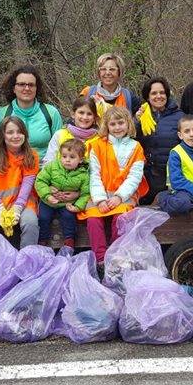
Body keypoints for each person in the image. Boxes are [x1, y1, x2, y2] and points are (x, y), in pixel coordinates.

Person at [78, 106, 148, 266]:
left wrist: (119, 197)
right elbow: (94, 175)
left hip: (124, 196)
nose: (117, 127)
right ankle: (101, 260)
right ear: (106, 126)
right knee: (93, 220)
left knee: (120, 219)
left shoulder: (136, 147)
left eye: (121, 123)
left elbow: (134, 177)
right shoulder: (96, 145)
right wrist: (100, 199)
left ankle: (116, 258)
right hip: (99, 195)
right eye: (113, 124)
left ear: (128, 124)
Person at [0, 116, 40, 248]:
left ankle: (27, 260)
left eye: (19, 132)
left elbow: (27, 183)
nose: (15, 136)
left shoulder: (31, 155)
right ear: (3, 135)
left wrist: (18, 207)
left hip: (23, 202)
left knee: (30, 222)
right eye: (10, 132)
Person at [134, 77, 183, 205]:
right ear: (148, 96)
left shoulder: (179, 116)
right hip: (148, 177)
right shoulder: (141, 116)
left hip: (173, 175)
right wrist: (136, 122)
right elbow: (132, 140)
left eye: (162, 92)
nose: (158, 96)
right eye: (154, 93)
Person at [0, 66, 63, 159]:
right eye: (21, 84)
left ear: (36, 89)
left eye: (31, 85)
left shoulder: (51, 113)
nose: (27, 88)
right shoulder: (1, 114)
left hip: (45, 169)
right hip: (12, 170)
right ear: (14, 88)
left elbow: (61, 146)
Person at [156, 115, 193, 215]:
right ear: (180, 135)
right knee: (181, 204)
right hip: (184, 194)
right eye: (187, 131)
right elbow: (177, 181)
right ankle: (163, 197)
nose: (191, 134)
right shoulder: (176, 153)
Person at [35, 139, 90, 248]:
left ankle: (69, 239)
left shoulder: (83, 174)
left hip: (68, 203)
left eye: (72, 157)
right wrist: (48, 195)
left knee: (68, 216)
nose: (67, 160)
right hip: (48, 201)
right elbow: (40, 181)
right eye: (64, 156)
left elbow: (86, 193)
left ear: (81, 159)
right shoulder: (52, 167)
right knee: (43, 217)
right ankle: (42, 239)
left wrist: (78, 206)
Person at [42, 96, 99, 166]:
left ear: (94, 118)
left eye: (89, 114)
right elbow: (48, 162)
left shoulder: (99, 139)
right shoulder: (60, 135)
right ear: (73, 114)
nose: (85, 117)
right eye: (81, 112)